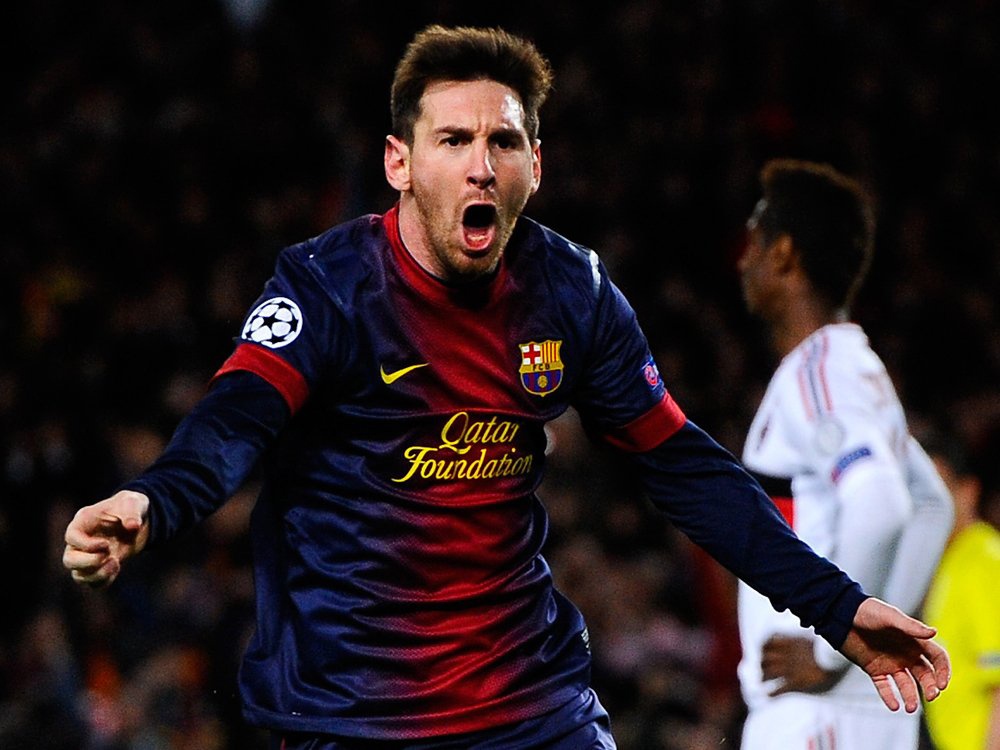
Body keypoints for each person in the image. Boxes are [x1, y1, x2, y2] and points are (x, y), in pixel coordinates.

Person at [63, 26, 950, 749]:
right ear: (400, 163)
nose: (481, 164)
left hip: (530, 707)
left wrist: (837, 607)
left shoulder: (572, 292)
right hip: (355, 713)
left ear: (536, 164)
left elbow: (682, 465)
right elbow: (237, 418)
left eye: (504, 141)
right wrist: (153, 500)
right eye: (453, 140)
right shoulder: (328, 288)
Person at [734, 158, 955, 750]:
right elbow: (931, 505)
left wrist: (835, 650)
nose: (743, 261)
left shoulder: (820, 374)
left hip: (819, 715)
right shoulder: (854, 370)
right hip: (857, 713)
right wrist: (875, 639)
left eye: (753, 242)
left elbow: (882, 505)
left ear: (784, 253)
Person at [921, 428, 1000, 750]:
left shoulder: (985, 562)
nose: (927, 507)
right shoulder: (951, 560)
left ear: (967, 492)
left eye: (937, 492)